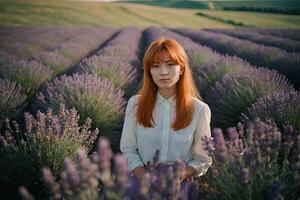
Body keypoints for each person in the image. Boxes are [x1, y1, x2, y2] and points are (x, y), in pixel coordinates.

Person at [120, 37, 212, 197]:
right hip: (140, 182)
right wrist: (145, 177)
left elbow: (203, 158)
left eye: (170, 65)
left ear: (182, 69)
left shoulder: (199, 110)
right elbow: (128, 149)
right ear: (149, 71)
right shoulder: (136, 104)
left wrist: (181, 174)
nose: (163, 72)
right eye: (156, 66)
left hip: (179, 185)